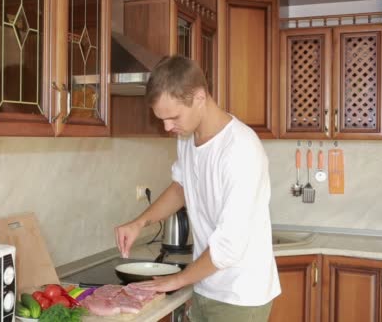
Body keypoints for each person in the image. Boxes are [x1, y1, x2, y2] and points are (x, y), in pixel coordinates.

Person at [114, 55, 280, 322]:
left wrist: (175, 279)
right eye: (162, 119)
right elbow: (181, 187)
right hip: (206, 285)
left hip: (239, 296)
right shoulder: (187, 136)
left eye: (173, 117)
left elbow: (228, 247)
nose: (167, 127)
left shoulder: (240, 150)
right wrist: (140, 222)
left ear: (200, 97)